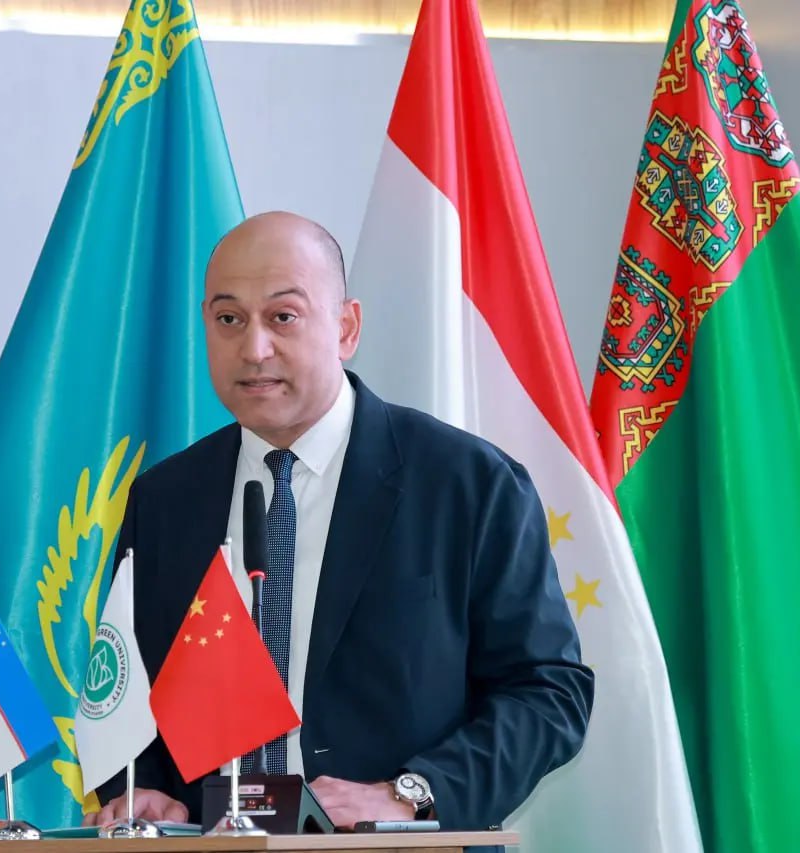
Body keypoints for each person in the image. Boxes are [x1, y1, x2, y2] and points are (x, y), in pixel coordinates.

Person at [87, 211, 593, 833]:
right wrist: (148, 790)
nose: (254, 349)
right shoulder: (164, 500)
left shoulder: (467, 483)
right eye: (229, 320)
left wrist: (413, 795)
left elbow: (548, 692)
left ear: (346, 328)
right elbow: (131, 691)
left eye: (283, 316)